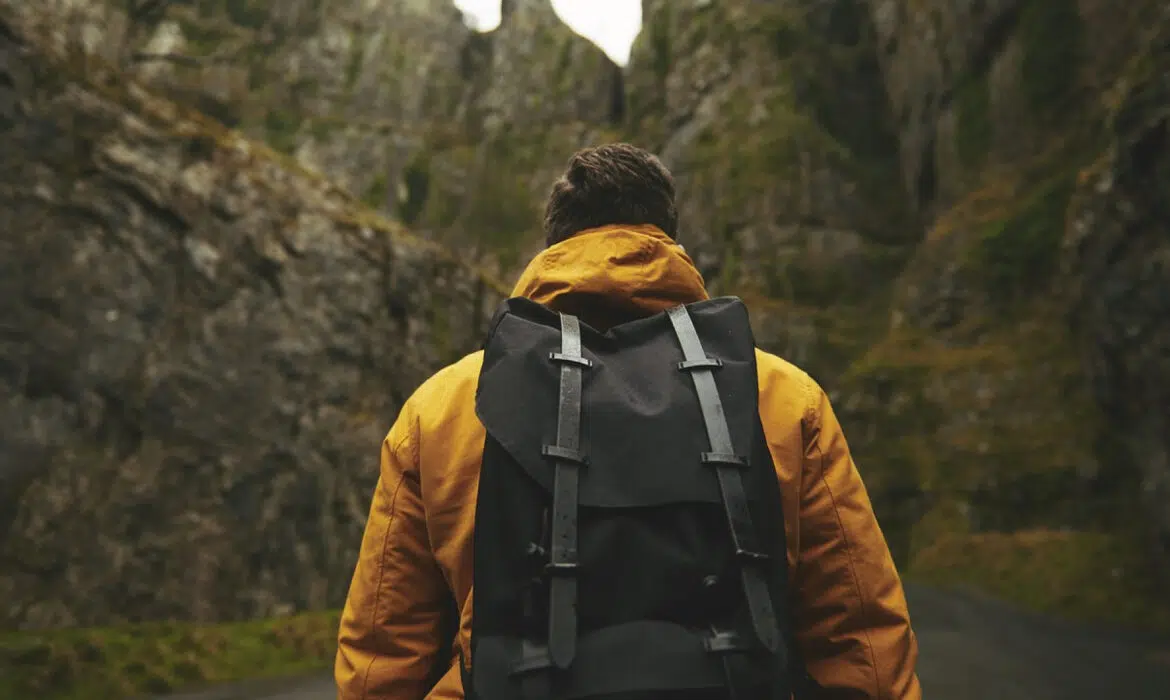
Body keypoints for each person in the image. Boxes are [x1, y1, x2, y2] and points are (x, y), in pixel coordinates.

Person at [335, 143, 921, 700]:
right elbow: (862, 643)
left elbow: (382, 662)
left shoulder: (444, 407)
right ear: (666, 237)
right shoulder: (783, 397)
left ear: (554, 242)